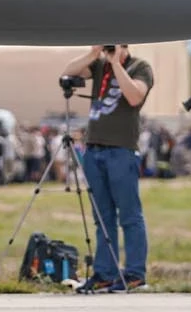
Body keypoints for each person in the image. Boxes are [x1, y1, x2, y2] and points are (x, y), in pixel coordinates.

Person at [60, 44, 155, 292]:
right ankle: (105, 273)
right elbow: (68, 72)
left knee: (129, 215)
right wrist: (94, 54)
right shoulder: (99, 64)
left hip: (121, 149)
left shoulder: (140, 67)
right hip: (94, 148)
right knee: (102, 217)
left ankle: (135, 273)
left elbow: (135, 96)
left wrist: (115, 64)